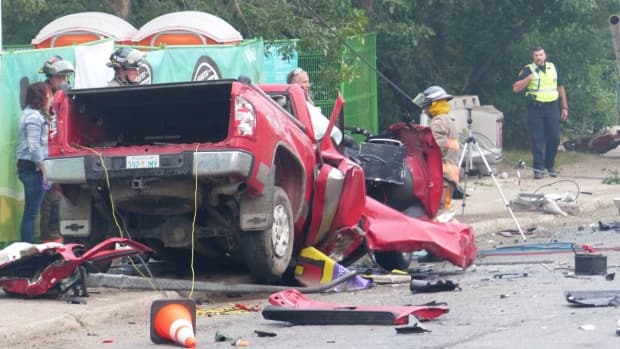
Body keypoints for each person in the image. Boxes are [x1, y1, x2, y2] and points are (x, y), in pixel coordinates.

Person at [512, 46, 568, 179]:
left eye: (541, 55)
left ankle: (550, 165)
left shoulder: (553, 67)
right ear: (533, 57)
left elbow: (560, 87)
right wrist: (528, 79)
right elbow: (515, 88)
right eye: (536, 55)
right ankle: (538, 169)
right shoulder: (528, 69)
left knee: (554, 138)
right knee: (537, 139)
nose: (539, 57)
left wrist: (564, 107)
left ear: (545, 56)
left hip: (552, 107)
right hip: (535, 109)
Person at [16, 82, 53, 243]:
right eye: (49, 94)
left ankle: (29, 245)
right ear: (42, 96)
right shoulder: (33, 116)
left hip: (31, 167)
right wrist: (43, 168)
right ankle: (26, 247)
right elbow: (33, 145)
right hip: (33, 168)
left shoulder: (33, 113)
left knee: (33, 210)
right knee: (31, 212)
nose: (51, 97)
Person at [413, 86, 460, 211]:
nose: (425, 109)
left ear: (433, 105)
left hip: (442, 177)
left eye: (426, 106)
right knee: (444, 212)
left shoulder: (438, 122)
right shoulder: (446, 119)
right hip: (448, 176)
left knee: (440, 216)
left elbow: (434, 149)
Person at [287, 67, 343, 144]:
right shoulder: (295, 104)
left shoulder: (305, 101)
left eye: (308, 82)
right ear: (295, 85)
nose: (308, 85)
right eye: (304, 82)